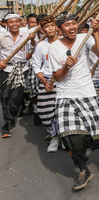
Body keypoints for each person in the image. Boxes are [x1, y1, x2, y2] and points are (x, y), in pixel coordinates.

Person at [48, 12, 99, 190]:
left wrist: (94, 32)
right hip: (66, 96)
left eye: (73, 23)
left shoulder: (84, 38)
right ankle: (82, 170)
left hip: (87, 93)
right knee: (70, 138)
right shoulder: (54, 48)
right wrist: (66, 66)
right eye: (67, 25)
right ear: (59, 29)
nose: (72, 27)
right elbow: (58, 78)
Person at [0, 13, 36, 138]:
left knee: (16, 97)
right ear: (6, 23)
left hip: (22, 69)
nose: (14, 24)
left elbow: (33, 49)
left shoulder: (27, 35)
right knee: (4, 95)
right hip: (7, 69)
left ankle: (12, 114)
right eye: (11, 22)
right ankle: (6, 122)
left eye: (16, 21)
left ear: (20, 22)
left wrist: (31, 45)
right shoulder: (2, 37)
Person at [32, 15, 61, 152]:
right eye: (46, 27)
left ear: (56, 27)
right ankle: (54, 136)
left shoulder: (63, 42)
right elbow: (36, 66)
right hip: (47, 82)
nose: (50, 28)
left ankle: (64, 137)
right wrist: (45, 82)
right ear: (42, 30)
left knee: (61, 112)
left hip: (62, 82)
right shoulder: (41, 46)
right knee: (44, 112)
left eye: (52, 25)